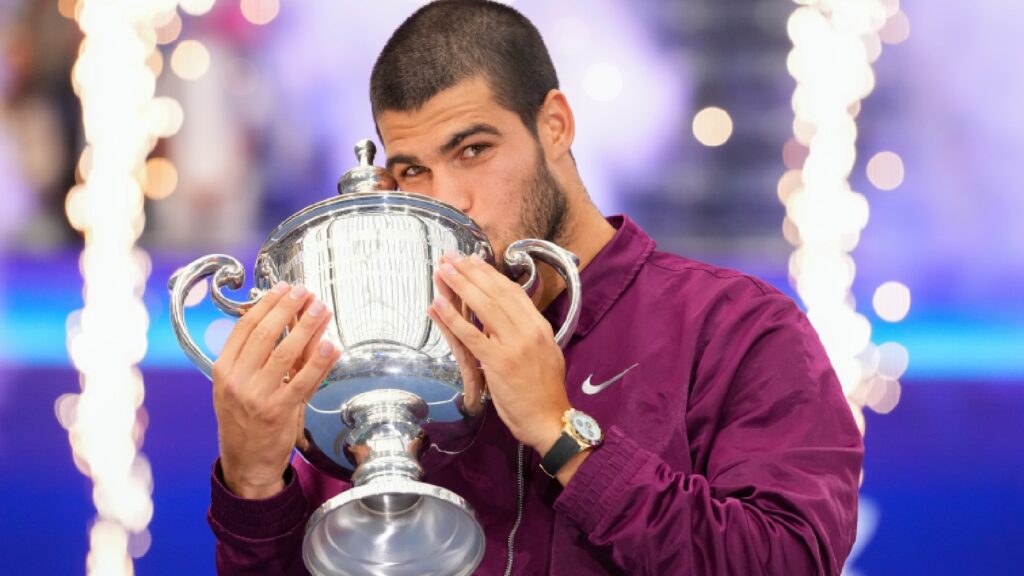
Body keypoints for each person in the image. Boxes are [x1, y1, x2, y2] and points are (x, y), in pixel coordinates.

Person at [206, 1, 864, 574]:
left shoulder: (737, 329)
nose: (450, 200)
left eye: (473, 150)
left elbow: (791, 560)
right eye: (413, 170)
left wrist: (562, 434)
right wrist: (255, 484)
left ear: (555, 125)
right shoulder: (384, 363)